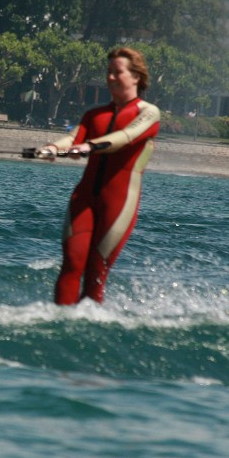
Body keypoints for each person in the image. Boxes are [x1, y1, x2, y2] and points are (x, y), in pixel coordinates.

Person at [37, 47, 160, 306]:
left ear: (136, 76)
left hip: (119, 204)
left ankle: (88, 326)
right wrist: (52, 148)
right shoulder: (94, 115)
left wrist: (90, 146)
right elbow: (73, 138)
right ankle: (60, 321)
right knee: (72, 263)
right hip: (84, 198)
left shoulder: (148, 113)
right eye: (108, 73)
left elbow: (124, 138)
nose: (111, 78)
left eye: (118, 72)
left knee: (95, 273)